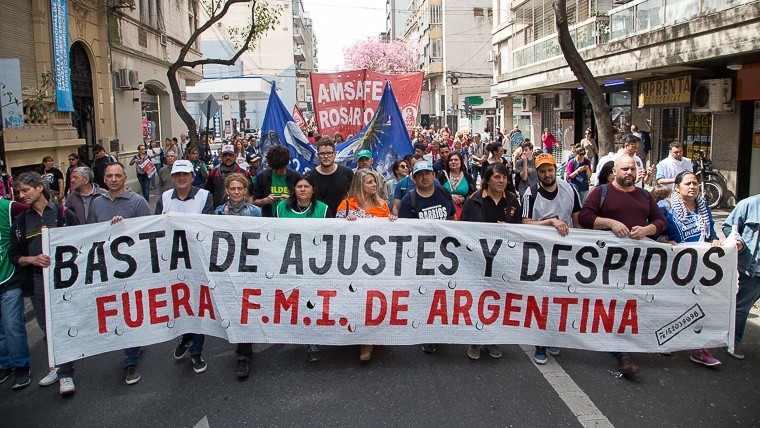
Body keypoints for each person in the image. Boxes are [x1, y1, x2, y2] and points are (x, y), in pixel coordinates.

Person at [579, 155, 667, 375]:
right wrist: (610, 223)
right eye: (625, 169)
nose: (630, 172)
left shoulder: (645, 196)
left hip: (637, 263)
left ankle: (626, 345)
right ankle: (622, 354)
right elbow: (585, 217)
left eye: (633, 169)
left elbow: (660, 221)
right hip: (606, 262)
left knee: (631, 303)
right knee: (615, 304)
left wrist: (647, 230)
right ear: (615, 171)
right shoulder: (601, 193)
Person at [9, 172, 80, 394]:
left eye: (25, 190)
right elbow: (14, 255)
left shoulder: (64, 214)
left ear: (39, 187)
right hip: (38, 281)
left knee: (63, 325)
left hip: (65, 281)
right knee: (46, 327)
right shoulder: (21, 222)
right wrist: (30, 259)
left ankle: (66, 373)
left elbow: (82, 242)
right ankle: (55, 366)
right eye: (18, 192)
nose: (21, 195)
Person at [90, 162, 151, 384]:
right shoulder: (97, 204)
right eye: (109, 176)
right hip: (107, 269)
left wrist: (125, 228)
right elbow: (91, 233)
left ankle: (130, 360)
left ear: (125, 178)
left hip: (133, 269)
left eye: (117, 175)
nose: (113, 179)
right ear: (104, 179)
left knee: (129, 311)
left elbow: (149, 233)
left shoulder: (138, 202)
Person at [657, 171, 721, 366]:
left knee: (701, 305)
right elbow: (652, 232)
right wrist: (664, 241)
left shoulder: (703, 209)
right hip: (674, 266)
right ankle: (667, 340)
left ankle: (699, 348)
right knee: (674, 304)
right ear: (677, 187)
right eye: (688, 183)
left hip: (701, 266)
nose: (693, 187)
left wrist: (716, 240)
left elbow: (711, 231)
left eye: (695, 183)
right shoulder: (664, 207)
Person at [522, 153, 581, 364]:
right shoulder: (531, 193)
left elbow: (577, 220)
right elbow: (525, 222)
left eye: (550, 170)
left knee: (560, 297)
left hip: (565, 252)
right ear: (537, 173)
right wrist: (550, 223)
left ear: (555, 169)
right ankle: (540, 343)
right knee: (541, 297)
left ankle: (553, 335)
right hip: (541, 253)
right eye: (542, 171)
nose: (547, 174)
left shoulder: (570, 189)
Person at [156, 160, 214, 374]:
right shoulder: (164, 198)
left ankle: (196, 351)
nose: (181, 178)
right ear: (172, 178)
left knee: (198, 305)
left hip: (197, 260)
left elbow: (207, 226)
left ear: (192, 176)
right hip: (173, 262)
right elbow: (155, 226)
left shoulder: (204, 196)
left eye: (185, 174)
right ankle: (186, 336)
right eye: (177, 175)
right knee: (180, 303)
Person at [461, 163, 520, 360]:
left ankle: (491, 339)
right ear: (487, 180)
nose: (501, 181)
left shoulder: (512, 201)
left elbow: (520, 231)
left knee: (496, 300)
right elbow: (463, 230)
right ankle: (474, 340)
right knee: (477, 298)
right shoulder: (474, 201)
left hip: (502, 260)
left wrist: (509, 229)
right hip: (478, 260)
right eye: (496, 177)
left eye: (504, 177)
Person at [336, 169, 395, 361]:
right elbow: (336, 232)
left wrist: (392, 221)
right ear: (359, 185)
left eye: (375, 182)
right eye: (370, 182)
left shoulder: (382, 204)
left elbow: (388, 233)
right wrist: (346, 222)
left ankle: (368, 340)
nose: (374, 186)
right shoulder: (346, 205)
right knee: (356, 298)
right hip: (353, 262)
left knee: (373, 299)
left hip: (376, 264)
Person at [398, 161, 455, 354]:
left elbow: (453, 220)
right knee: (424, 295)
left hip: (445, 256)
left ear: (434, 175)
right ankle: (427, 334)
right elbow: (404, 231)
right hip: (420, 258)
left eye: (428, 173)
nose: (424, 177)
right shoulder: (409, 200)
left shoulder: (444, 194)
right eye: (420, 174)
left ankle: (440, 329)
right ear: (413, 178)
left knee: (443, 294)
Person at [214, 173, 261, 379]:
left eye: (239, 189)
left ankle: (244, 353)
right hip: (226, 267)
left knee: (245, 306)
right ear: (226, 191)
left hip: (247, 266)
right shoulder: (217, 213)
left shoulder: (255, 212)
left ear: (245, 191)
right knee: (232, 306)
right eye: (232, 189)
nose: (235, 192)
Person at [722, 193, 760, 360]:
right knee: (741, 307)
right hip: (753, 270)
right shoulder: (749, 205)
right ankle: (733, 342)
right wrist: (738, 242)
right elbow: (729, 226)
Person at [0, 197, 32, 390]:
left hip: (8, 277)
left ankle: (21, 365)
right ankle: (6, 364)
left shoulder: (7, 207)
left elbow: (36, 211)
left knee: (12, 325)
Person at [304, 137, 354, 217]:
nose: (326, 156)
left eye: (329, 153)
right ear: (318, 155)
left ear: (334, 154)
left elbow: (354, 197)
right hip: (318, 221)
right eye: (322, 153)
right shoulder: (309, 176)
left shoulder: (347, 173)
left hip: (342, 221)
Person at [253, 145, 302, 217]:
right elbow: (255, 201)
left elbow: (304, 200)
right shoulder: (262, 177)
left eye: (281, 169)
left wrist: (291, 199)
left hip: (291, 218)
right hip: (269, 219)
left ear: (286, 164)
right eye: (275, 169)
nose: (278, 171)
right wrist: (265, 201)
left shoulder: (295, 176)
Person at [206, 144, 249, 209]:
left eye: (230, 155)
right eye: (225, 155)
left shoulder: (244, 173)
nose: (228, 157)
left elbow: (251, 195)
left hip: (240, 213)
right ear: (221, 156)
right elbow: (209, 193)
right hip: (218, 212)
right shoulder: (214, 173)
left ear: (235, 156)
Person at [437, 152, 475, 220]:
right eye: (451, 160)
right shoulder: (442, 175)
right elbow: (436, 192)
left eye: (456, 160)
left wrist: (464, 198)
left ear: (461, 162)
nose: (453, 162)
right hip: (446, 212)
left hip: (464, 211)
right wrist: (450, 197)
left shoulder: (467, 176)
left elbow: (473, 194)